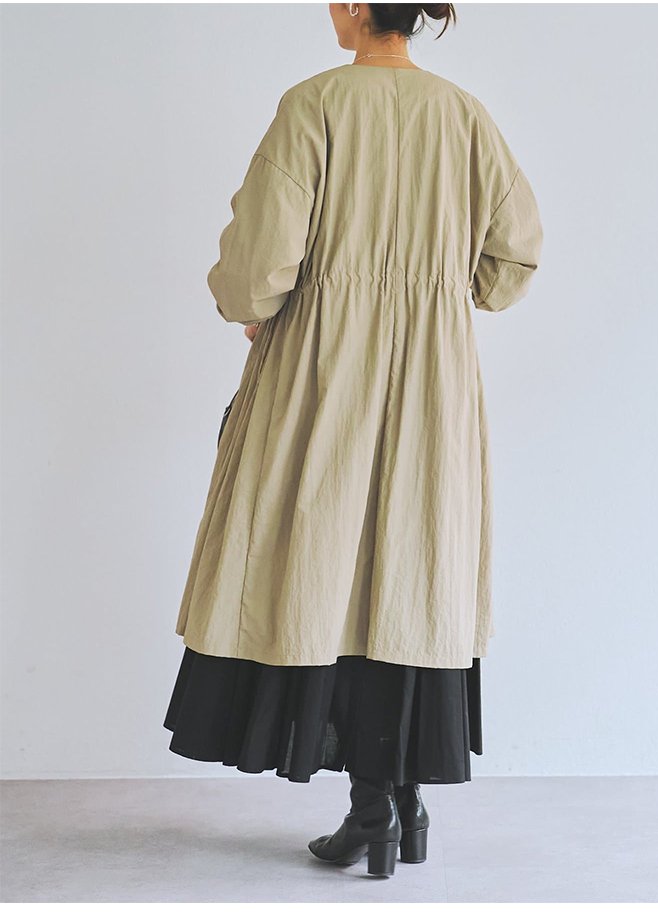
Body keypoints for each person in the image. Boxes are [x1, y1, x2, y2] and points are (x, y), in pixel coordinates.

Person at [163, 1, 543, 878]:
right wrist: (438, 290)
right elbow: (511, 261)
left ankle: (375, 812)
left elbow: (257, 264)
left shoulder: (315, 104)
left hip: (321, 368)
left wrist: (256, 309)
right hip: (432, 381)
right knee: (406, 571)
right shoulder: (464, 115)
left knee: (319, 567)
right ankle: (396, 804)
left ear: (363, 7)